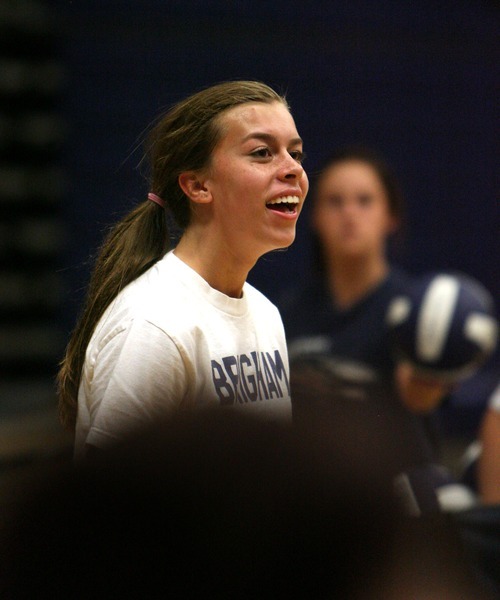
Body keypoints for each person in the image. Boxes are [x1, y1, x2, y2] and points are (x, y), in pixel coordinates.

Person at [57, 80, 309, 460]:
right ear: (197, 185)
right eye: (262, 152)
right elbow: (107, 507)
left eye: (295, 153)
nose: (292, 169)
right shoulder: (153, 326)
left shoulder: (265, 315)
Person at [278, 146, 456, 509]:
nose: (349, 214)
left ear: (390, 216)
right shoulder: (282, 313)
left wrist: (426, 377)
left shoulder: (417, 312)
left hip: (398, 506)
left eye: (364, 201)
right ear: (313, 216)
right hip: (310, 501)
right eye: (334, 201)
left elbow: (421, 397)